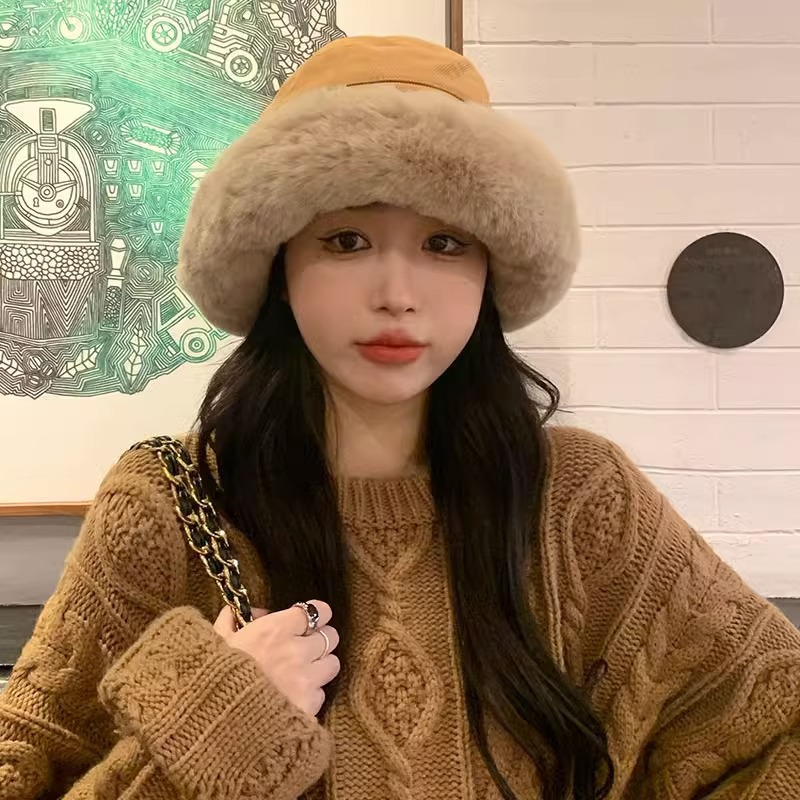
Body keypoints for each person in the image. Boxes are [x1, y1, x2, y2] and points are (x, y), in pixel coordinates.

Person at [0, 35, 798, 800]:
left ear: (491, 271)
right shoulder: (167, 509)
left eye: (445, 243)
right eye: (346, 240)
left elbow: (777, 727)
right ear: (280, 266)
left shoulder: (580, 501)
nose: (397, 294)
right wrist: (215, 729)